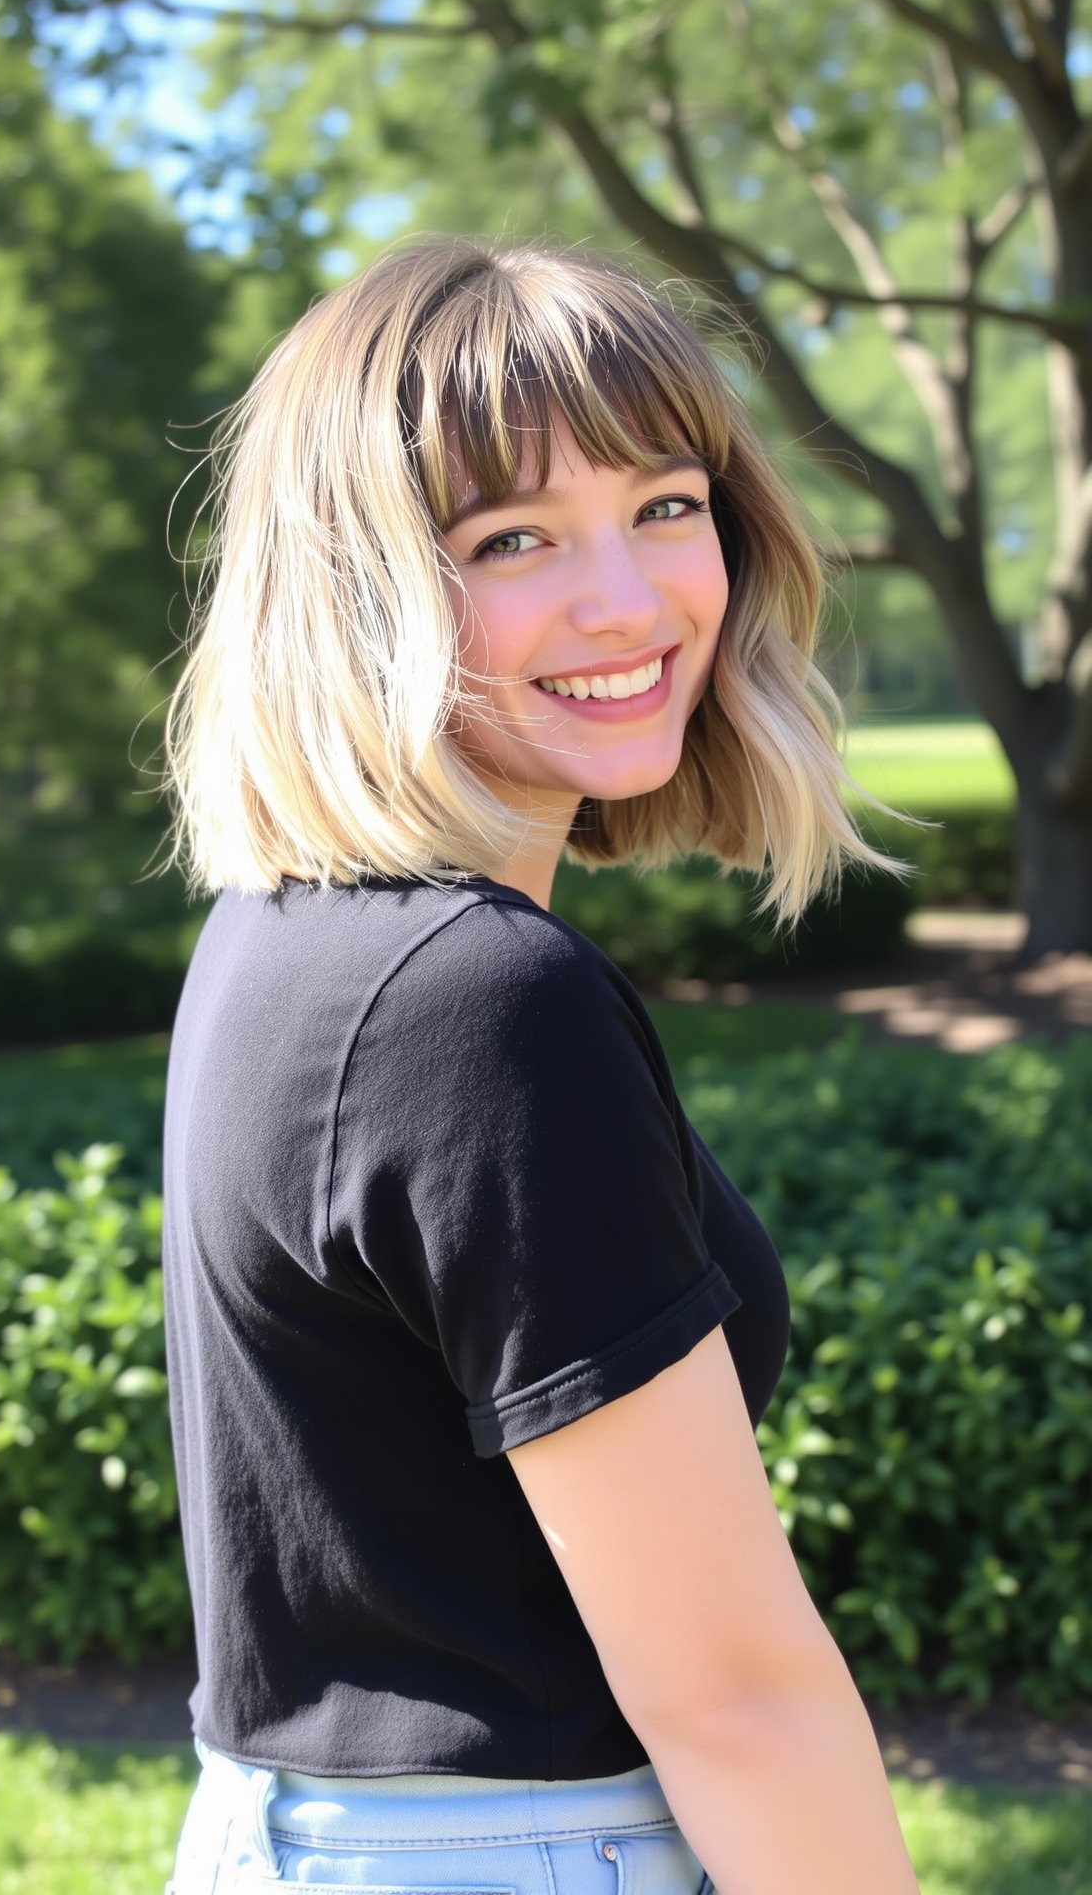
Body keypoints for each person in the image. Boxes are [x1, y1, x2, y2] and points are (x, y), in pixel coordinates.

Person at [157, 236, 923, 1895]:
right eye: (514, 538)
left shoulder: (285, 940)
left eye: (666, 504)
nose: (630, 601)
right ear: (354, 589)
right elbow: (734, 1700)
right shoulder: (481, 1005)